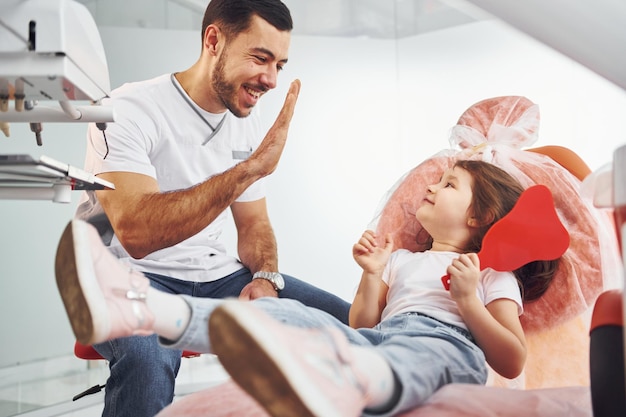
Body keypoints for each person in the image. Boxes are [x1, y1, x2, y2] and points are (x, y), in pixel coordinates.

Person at [56, 160, 560, 416]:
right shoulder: (403, 259)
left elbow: (510, 359)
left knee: (408, 358)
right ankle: (151, 312)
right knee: (285, 314)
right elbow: (363, 324)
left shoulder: (492, 274)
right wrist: (372, 272)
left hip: (444, 345)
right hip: (381, 339)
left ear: (479, 216)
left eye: (449, 184)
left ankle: (360, 384)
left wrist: (470, 301)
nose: (431, 186)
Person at [71, 0, 350, 415]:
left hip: (215, 278)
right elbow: (137, 235)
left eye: (280, 65)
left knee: (351, 327)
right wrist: (249, 169)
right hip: (127, 277)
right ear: (214, 40)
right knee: (148, 358)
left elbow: (254, 223)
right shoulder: (126, 110)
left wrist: (266, 277)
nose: (271, 79)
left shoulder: (246, 118)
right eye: (261, 58)